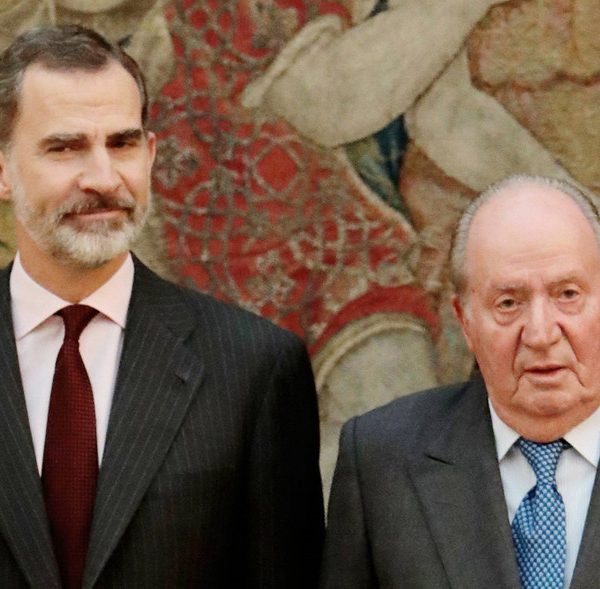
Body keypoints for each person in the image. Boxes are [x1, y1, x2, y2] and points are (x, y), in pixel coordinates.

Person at [0, 25, 323, 588]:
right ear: (3, 169)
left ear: (150, 155)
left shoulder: (255, 369)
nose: (103, 179)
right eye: (65, 147)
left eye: (122, 144)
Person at [321, 174, 600, 588]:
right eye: (508, 303)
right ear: (465, 321)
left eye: (568, 295)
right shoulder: (381, 459)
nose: (541, 334)